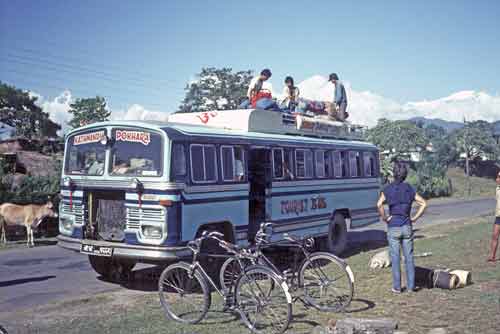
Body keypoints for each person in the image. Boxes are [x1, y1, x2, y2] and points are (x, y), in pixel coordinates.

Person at [377, 162, 427, 293]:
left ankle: (397, 287)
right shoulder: (409, 188)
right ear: (405, 174)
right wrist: (414, 218)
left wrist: (385, 218)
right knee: (409, 257)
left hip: (393, 227)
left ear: (394, 173)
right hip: (407, 226)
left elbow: (379, 204)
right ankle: (411, 287)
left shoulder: (387, 189)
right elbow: (423, 203)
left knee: (395, 258)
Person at [487, 170, 500, 262]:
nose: (497, 179)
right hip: (498, 216)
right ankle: (492, 256)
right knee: (495, 235)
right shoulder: (497, 189)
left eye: (499, 177)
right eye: (497, 176)